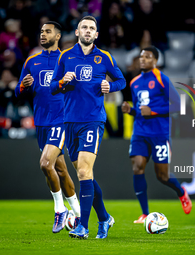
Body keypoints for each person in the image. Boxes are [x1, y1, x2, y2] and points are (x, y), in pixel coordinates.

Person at [50, 15, 126, 239]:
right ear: (77, 32)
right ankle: (105, 218)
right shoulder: (65, 56)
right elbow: (53, 87)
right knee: (86, 175)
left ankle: (83, 226)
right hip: (69, 121)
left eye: (92, 28)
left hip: (93, 120)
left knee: (83, 171)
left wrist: (110, 86)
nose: (87, 31)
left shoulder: (104, 57)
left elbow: (122, 81)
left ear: (96, 34)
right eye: (84, 27)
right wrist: (63, 81)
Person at [15, 21, 81, 233]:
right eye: (41, 31)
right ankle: (80, 214)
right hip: (41, 122)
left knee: (45, 164)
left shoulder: (69, 60)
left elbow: (80, 89)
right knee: (60, 169)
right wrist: (23, 86)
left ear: (58, 36)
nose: (43, 35)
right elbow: (18, 91)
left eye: (48, 31)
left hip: (61, 120)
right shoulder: (32, 61)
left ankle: (60, 209)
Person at [121, 46, 192, 224]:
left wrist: (152, 111)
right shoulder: (134, 82)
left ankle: (181, 192)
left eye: (148, 56)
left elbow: (177, 105)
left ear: (156, 61)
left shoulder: (162, 79)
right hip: (140, 132)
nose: (143, 59)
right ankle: (145, 213)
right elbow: (140, 111)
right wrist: (130, 110)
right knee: (137, 167)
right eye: (141, 56)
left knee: (163, 176)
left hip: (160, 133)